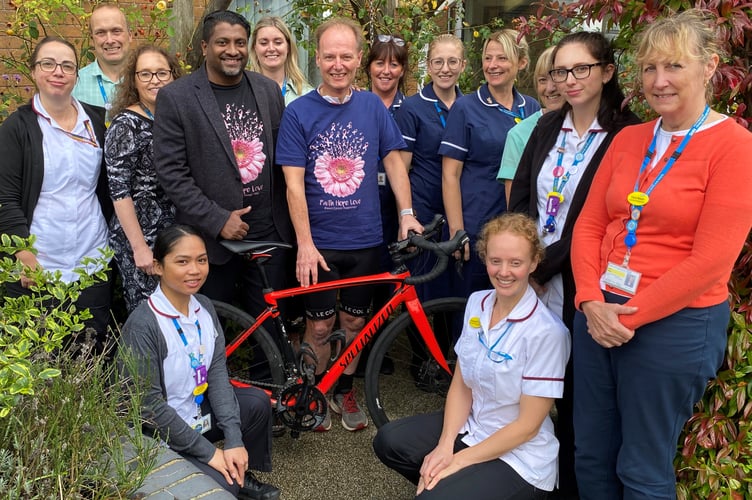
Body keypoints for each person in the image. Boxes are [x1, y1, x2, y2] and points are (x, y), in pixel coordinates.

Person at [570, 10, 752, 499]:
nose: (659, 80)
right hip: (598, 314)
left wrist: (626, 315)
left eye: (673, 66)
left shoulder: (735, 147)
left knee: (643, 466)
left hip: (673, 324)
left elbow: (712, 261)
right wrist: (589, 300)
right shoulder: (629, 139)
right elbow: (589, 225)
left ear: (709, 65)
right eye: (650, 68)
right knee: (590, 453)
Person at [507, 32, 640, 499]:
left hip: (583, 282)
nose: (570, 80)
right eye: (561, 71)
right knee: (535, 387)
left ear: (606, 72)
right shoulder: (547, 126)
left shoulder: (628, 133)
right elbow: (522, 195)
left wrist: (541, 268)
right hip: (534, 276)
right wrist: (522, 262)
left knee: (582, 400)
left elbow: (599, 221)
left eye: (581, 68)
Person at [277, 17, 421, 432]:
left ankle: (344, 389)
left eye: (346, 56)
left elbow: (394, 160)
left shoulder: (373, 106)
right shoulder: (298, 112)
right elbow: (293, 184)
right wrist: (304, 243)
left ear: (359, 59)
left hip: (365, 241)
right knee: (319, 325)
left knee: (356, 323)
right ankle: (311, 393)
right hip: (319, 244)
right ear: (317, 59)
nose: (337, 64)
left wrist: (407, 213)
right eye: (329, 56)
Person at [373, 212, 570, 499]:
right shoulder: (477, 303)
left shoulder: (547, 332)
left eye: (516, 263)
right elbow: (462, 385)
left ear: (534, 263)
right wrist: (444, 446)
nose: (504, 272)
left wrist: (457, 462)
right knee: (388, 441)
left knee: (435, 493)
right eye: (495, 261)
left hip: (519, 455)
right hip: (475, 426)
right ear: (485, 258)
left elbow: (527, 428)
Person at [119, 225, 280, 499]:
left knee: (256, 403)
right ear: (158, 267)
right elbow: (151, 409)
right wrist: (211, 453)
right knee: (223, 486)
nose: (195, 270)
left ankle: (239, 472)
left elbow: (216, 373)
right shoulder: (144, 325)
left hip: (195, 413)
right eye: (182, 261)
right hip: (159, 433)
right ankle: (227, 478)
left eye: (201, 260)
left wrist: (233, 440)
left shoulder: (203, 306)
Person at [154, 10, 293, 321]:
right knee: (211, 325)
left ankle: (263, 373)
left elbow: (282, 159)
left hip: (268, 232)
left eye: (240, 42)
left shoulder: (267, 90)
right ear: (205, 47)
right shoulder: (176, 97)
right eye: (223, 42)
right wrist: (218, 220)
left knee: (269, 324)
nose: (233, 50)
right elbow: (171, 173)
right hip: (210, 240)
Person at [0, 36, 113, 350]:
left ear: (77, 75)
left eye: (67, 66)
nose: (57, 72)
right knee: (36, 359)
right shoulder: (17, 128)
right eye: (48, 64)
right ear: (34, 72)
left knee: (89, 356)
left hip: (91, 260)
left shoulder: (97, 121)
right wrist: (23, 254)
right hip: (39, 264)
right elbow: (4, 197)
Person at [440, 29, 540, 299]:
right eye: (488, 58)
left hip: (519, 230)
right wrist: (457, 231)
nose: (493, 65)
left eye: (502, 58)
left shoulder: (531, 108)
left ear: (521, 62)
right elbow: (450, 174)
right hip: (477, 227)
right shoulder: (466, 108)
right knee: (472, 307)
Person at [105, 45, 183, 313]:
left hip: (174, 233)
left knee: (177, 312)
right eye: (146, 74)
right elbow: (119, 190)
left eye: (162, 72)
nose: (155, 80)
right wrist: (139, 248)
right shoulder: (125, 125)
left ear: (173, 76)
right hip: (140, 235)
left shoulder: (175, 118)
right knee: (149, 316)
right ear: (134, 80)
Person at [394, 34, 466, 302]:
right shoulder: (412, 107)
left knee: (455, 287)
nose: (445, 69)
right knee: (424, 292)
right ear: (428, 64)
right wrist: (407, 213)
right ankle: (422, 346)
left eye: (452, 62)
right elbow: (401, 168)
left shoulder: (469, 106)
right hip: (424, 211)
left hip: (459, 209)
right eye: (438, 62)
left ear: (463, 65)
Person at [497, 46, 563, 202]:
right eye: (542, 80)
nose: (550, 88)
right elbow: (516, 208)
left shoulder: (590, 128)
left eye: (557, 78)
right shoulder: (519, 134)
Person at [73, 3, 132, 119]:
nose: (109, 40)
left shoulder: (147, 81)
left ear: (130, 35)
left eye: (116, 31)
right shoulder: (75, 83)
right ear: (92, 39)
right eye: (101, 33)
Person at [249, 16, 313, 105]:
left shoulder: (308, 96)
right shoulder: (243, 93)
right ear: (255, 48)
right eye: (264, 43)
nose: (271, 48)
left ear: (288, 47)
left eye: (278, 42)